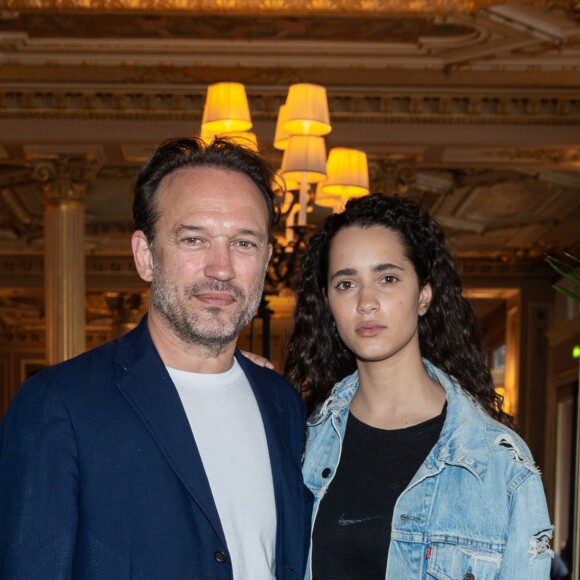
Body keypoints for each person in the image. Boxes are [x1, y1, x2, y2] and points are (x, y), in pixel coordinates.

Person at [0, 137, 312, 579]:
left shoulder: (282, 402)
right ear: (145, 256)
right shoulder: (59, 405)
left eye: (244, 243)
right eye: (193, 239)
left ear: (264, 259)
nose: (220, 268)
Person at [285, 193, 553, 579]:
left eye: (388, 278)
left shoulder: (498, 466)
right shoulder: (303, 442)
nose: (366, 302)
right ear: (328, 302)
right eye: (345, 283)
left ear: (423, 295)